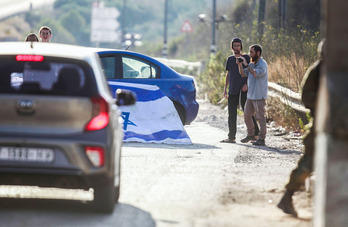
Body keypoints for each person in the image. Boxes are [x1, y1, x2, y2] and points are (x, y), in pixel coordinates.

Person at [277, 40, 325, 217]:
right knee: (308, 164)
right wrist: (325, 102)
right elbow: (306, 97)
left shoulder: (338, 72)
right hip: (321, 125)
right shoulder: (317, 71)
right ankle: (287, 197)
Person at [221, 38, 259, 143]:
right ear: (232, 47)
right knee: (231, 114)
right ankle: (231, 137)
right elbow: (228, 74)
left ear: (241, 46)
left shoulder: (246, 57)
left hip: (243, 89)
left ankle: (255, 133)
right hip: (232, 89)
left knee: (247, 112)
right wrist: (225, 89)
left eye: (238, 45)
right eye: (235, 45)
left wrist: (246, 84)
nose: (236, 47)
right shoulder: (230, 59)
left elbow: (251, 72)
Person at [237, 44, 268, 146]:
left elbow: (255, 73)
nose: (250, 54)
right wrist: (240, 65)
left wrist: (246, 65)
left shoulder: (262, 64)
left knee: (260, 118)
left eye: (252, 52)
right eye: (249, 52)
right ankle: (251, 134)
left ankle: (261, 138)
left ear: (258, 53)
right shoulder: (252, 64)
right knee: (246, 115)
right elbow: (243, 74)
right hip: (250, 96)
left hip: (259, 96)